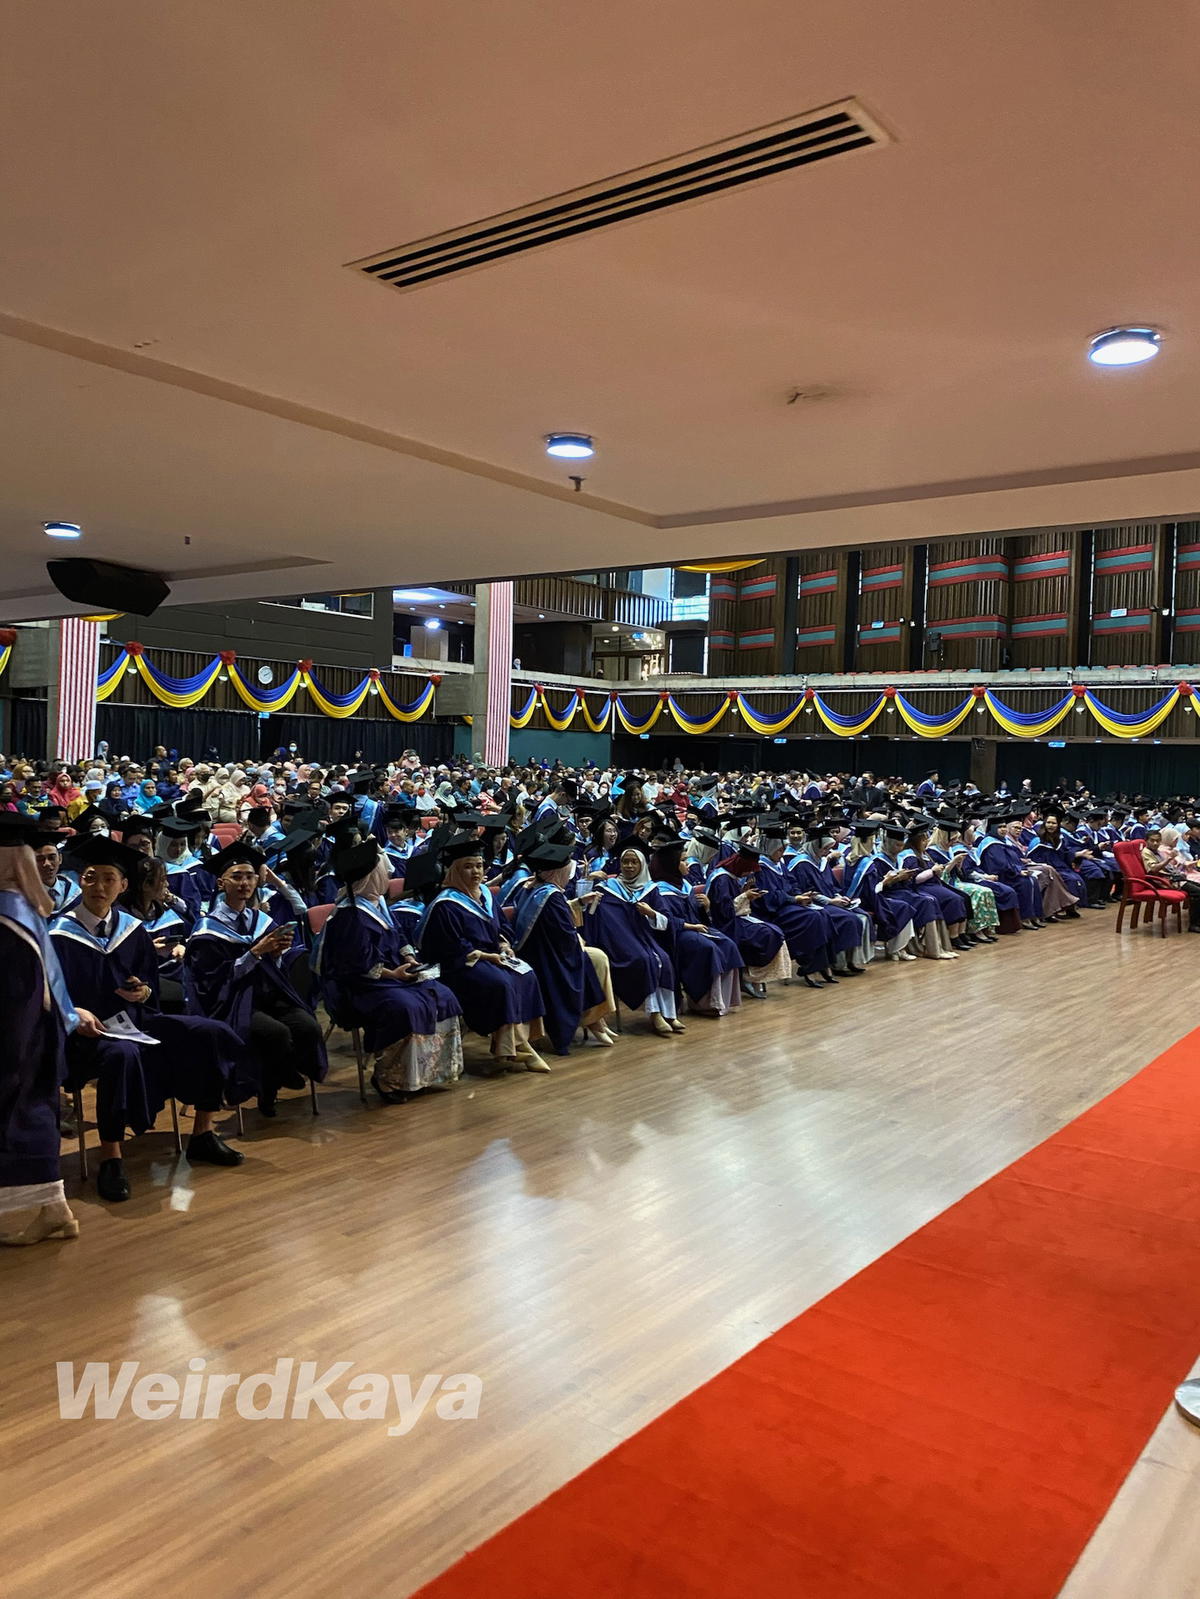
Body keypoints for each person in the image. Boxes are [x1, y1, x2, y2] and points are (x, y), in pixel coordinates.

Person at [50, 836, 245, 1203]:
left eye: (110, 878)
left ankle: (202, 1133)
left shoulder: (132, 929)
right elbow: (46, 991)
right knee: (121, 1057)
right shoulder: (58, 933)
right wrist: (73, 1012)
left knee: (210, 1033)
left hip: (136, 1022)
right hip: (86, 1034)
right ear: (81, 881)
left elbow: (150, 986)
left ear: (123, 885)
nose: (100, 886)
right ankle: (111, 1156)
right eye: (91, 877)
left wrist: (143, 992)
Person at [0, 815, 101, 1245]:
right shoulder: (20, 906)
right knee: (33, 1115)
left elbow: (16, 995)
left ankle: (53, 1211)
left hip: (16, 1039)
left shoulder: (8, 918)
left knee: (19, 1120)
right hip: (35, 1035)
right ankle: (55, 1210)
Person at [314, 835, 464, 1101]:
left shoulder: (377, 902)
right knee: (404, 1008)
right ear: (370, 877)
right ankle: (388, 1078)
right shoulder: (350, 915)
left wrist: (409, 959)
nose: (389, 873)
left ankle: (425, 1074)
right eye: (383, 870)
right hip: (358, 986)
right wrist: (393, 974)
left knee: (443, 995)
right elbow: (353, 965)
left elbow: (399, 936)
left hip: (391, 976)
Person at [184, 841, 328, 1117]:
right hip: (231, 1002)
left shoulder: (260, 920)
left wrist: (276, 953)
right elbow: (212, 983)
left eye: (250, 876)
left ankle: (283, 1075)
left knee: (308, 1025)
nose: (244, 883)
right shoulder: (206, 931)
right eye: (236, 877)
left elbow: (274, 968)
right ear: (220, 883)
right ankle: (269, 1087)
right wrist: (254, 952)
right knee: (277, 1033)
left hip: (267, 994)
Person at [417, 834, 549, 1072]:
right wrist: (489, 957)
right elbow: (452, 948)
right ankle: (513, 1049)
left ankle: (520, 1043)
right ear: (455, 871)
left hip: (492, 957)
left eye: (479, 866)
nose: (476, 872)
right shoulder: (445, 904)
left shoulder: (486, 895)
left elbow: (502, 928)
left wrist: (504, 946)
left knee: (526, 974)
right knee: (499, 984)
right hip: (460, 967)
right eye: (468, 867)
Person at [509, 838, 617, 1052]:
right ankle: (593, 1020)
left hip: (534, 951)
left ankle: (597, 1019)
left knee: (595, 958)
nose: (568, 876)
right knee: (589, 960)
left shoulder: (532, 887)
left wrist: (578, 903)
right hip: (547, 959)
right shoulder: (551, 896)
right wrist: (579, 941)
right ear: (556, 872)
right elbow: (565, 938)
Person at [583, 845, 683, 1036]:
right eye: (625, 862)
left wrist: (651, 913)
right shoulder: (607, 889)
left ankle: (669, 1014)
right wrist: (587, 880)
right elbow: (590, 913)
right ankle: (654, 1014)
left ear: (642, 865)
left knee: (664, 960)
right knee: (645, 961)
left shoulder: (650, 889)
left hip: (645, 939)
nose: (628, 866)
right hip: (619, 944)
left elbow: (667, 920)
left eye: (634, 862)